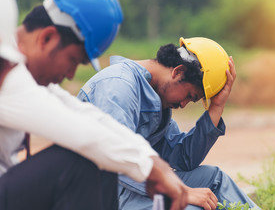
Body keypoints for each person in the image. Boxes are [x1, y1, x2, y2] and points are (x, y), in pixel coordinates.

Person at [0, 0, 188, 210]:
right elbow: (78, 130)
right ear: (47, 37)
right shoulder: (5, 78)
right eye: (73, 60)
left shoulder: (21, 75)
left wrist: (151, 160)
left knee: (102, 156)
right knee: (84, 158)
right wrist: (149, 167)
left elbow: (84, 115)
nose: (70, 74)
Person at [78, 37, 260, 209]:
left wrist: (216, 107)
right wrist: (182, 192)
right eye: (189, 96)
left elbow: (183, 158)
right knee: (191, 207)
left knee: (214, 179)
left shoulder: (157, 101)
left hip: (128, 186)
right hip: (101, 192)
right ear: (178, 71)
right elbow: (115, 160)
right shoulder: (119, 87)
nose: (183, 104)